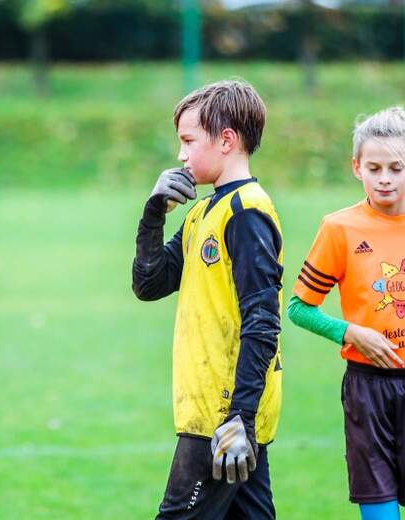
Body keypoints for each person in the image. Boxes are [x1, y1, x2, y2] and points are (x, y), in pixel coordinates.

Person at [132, 79, 283, 519]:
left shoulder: (246, 213)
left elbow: (262, 320)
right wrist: (153, 214)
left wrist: (240, 417)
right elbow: (149, 284)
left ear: (227, 140)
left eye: (188, 141)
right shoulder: (204, 211)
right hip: (222, 411)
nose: (181, 155)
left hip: (222, 414)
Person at [289, 106, 405, 520]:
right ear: (356, 167)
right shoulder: (339, 228)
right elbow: (299, 308)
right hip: (368, 390)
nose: (385, 179)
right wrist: (351, 333)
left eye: (395, 168)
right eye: (374, 168)